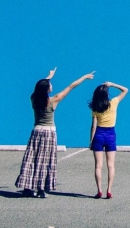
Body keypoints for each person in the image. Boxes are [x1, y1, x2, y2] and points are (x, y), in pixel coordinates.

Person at [16, 67, 93, 197]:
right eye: (50, 85)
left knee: (31, 159)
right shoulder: (53, 100)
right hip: (49, 133)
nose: (51, 86)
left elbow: (38, 88)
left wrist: (49, 76)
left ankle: (27, 187)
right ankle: (41, 189)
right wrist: (85, 77)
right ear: (47, 89)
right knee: (45, 161)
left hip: (36, 132)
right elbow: (71, 86)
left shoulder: (34, 98)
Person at [87, 81, 128, 199]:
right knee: (111, 165)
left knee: (98, 166)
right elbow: (125, 90)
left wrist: (91, 141)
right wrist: (112, 84)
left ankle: (99, 190)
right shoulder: (113, 102)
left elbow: (93, 127)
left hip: (99, 134)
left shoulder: (95, 108)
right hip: (110, 134)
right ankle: (109, 190)